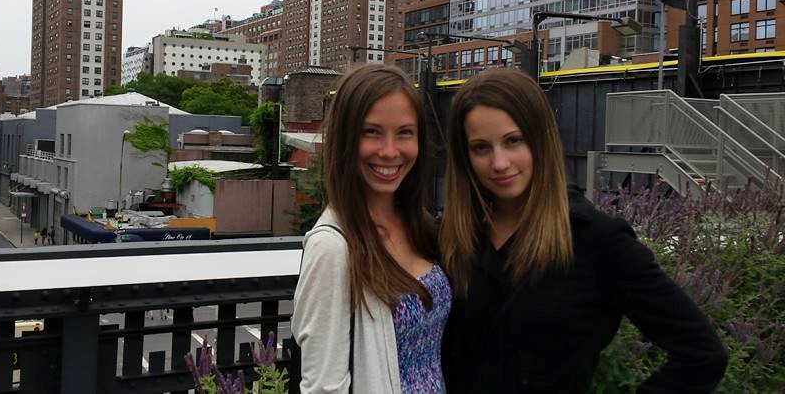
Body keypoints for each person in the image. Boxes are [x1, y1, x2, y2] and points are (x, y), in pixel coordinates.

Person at [440, 68, 727, 392]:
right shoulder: (451, 239)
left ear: (541, 139)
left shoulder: (597, 241)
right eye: (481, 148)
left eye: (513, 141)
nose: (500, 162)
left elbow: (703, 355)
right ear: (464, 156)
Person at [291, 64, 450, 393]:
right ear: (345, 140)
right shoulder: (332, 248)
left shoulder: (417, 223)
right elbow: (323, 387)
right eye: (371, 132)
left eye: (404, 132)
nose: (390, 151)